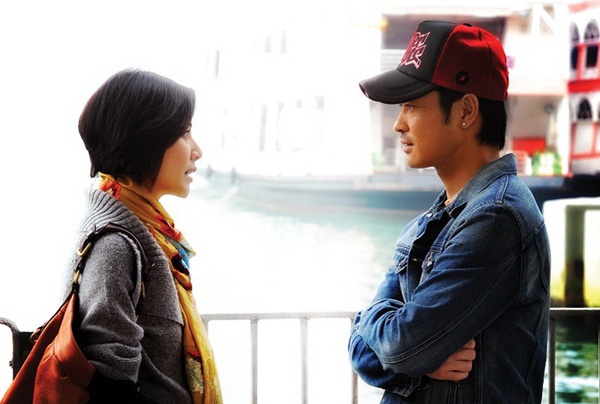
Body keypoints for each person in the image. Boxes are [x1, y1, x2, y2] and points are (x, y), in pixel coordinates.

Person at [348, 20, 550, 403]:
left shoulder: (497, 217)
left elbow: (400, 346)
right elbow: (365, 349)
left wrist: (379, 329)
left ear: (466, 111)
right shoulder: (433, 219)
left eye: (411, 105)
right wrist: (414, 356)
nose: (398, 124)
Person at [71, 68, 222, 403]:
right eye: (185, 133)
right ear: (145, 141)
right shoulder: (116, 243)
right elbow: (110, 380)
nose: (196, 150)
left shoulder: (140, 229)